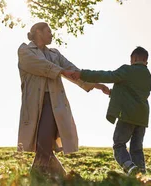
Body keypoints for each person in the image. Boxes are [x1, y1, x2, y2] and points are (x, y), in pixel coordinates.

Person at [16, 22, 110, 177]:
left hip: (53, 104)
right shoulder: (25, 51)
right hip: (34, 105)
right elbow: (39, 65)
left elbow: (73, 71)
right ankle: (58, 177)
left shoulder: (55, 54)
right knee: (43, 145)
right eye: (48, 31)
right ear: (38, 32)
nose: (51, 35)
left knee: (44, 143)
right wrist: (61, 71)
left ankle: (42, 178)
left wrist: (96, 84)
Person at [70, 46, 151, 175]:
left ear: (134, 58)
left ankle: (129, 167)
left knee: (119, 143)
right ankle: (141, 173)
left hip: (127, 114)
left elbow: (107, 75)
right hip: (142, 116)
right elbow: (134, 93)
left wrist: (83, 74)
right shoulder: (148, 76)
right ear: (146, 61)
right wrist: (111, 92)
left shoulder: (127, 70)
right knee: (137, 148)